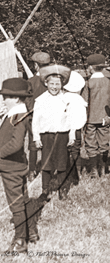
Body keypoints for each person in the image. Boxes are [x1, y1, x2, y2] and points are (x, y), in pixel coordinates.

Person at [0, 78, 39, 254]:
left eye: (7, 97)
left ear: (17, 99)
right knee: (23, 201)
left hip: (11, 168)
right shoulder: (16, 115)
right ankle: (31, 232)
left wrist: (0, 154)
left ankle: (20, 243)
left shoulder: (18, 116)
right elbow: (4, 136)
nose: (4, 100)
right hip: (16, 166)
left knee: (16, 206)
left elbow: (16, 144)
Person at [33, 64, 86, 200]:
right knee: (46, 164)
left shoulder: (66, 99)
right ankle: (45, 191)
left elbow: (71, 118)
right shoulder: (40, 100)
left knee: (62, 164)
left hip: (62, 135)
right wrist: (36, 137)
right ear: (46, 83)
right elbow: (36, 120)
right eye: (52, 84)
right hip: (46, 136)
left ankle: (63, 190)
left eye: (57, 84)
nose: (54, 87)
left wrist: (72, 135)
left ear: (62, 84)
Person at [81, 54, 110, 177]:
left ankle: (94, 171)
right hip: (105, 118)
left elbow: (84, 102)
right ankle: (103, 169)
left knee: (91, 144)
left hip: (90, 119)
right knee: (104, 143)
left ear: (91, 68)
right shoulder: (108, 82)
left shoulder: (88, 83)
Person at [25, 52, 50, 182]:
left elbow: (28, 101)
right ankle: (47, 170)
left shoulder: (30, 82)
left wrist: (32, 112)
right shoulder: (52, 81)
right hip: (49, 118)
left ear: (36, 66)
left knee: (33, 145)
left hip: (33, 118)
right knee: (48, 143)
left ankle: (31, 171)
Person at [63, 71, 88, 185]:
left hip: (64, 129)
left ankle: (68, 174)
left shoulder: (62, 99)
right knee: (76, 150)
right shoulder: (80, 100)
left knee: (65, 152)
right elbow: (83, 117)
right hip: (77, 129)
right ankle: (77, 173)